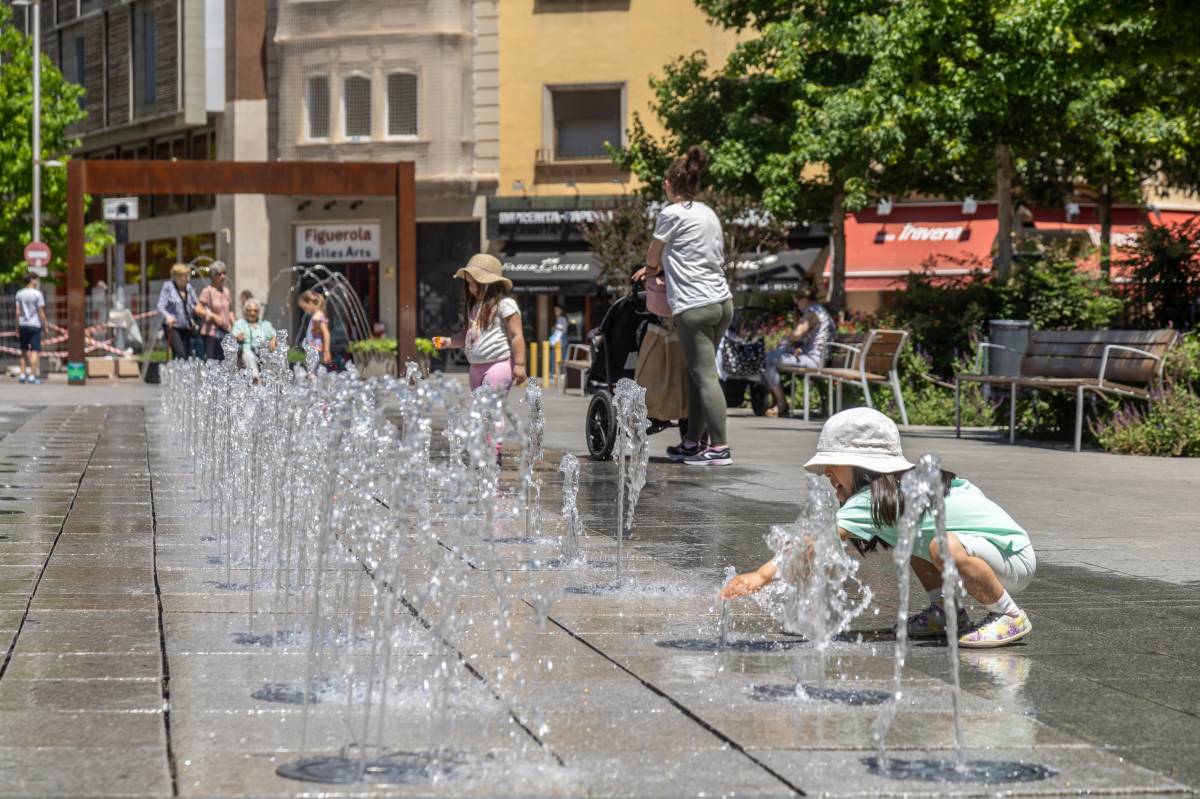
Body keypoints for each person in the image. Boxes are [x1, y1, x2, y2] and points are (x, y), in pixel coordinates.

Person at [720, 407, 1036, 648]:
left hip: (1011, 560)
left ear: (862, 466)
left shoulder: (873, 499)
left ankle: (1010, 616)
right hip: (999, 552)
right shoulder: (902, 490)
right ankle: (945, 611)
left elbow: (814, 542)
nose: (827, 473)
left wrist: (761, 576)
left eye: (834, 464)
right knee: (916, 539)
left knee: (941, 546)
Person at [633, 145, 733, 466]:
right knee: (697, 373)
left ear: (667, 184)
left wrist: (650, 270)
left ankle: (719, 447)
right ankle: (691, 443)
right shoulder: (708, 213)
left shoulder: (671, 213)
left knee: (705, 376)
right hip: (722, 303)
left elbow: (652, 255)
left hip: (694, 306)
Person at [435, 253, 527, 392]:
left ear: (492, 284)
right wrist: (448, 341)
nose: (472, 288)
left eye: (477, 284)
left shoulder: (505, 304)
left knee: (489, 409)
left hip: (498, 364)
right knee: (480, 411)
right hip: (474, 368)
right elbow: (467, 336)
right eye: (470, 284)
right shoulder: (473, 307)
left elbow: (516, 336)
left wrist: (519, 364)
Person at [763, 285, 835, 417]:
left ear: (804, 299)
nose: (797, 305)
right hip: (818, 357)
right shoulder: (820, 310)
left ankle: (781, 404)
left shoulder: (813, 311)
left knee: (769, 360)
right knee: (771, 358)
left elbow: (797, 333)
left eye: (797, 301)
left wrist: (784, 343)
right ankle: (779, 402)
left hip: (815, 359)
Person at [157, 263, 199, 360]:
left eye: (188, 275)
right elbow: (160, 305)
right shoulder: (168, 286)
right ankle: (175, 373)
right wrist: (168, 317)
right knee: (180, 353)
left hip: (186, 326)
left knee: (187, 355)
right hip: (173, 326)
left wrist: (195, 317)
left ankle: (183, 374)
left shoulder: (189, 288)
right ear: (176, 276)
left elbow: (195, 304)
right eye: (184, 276)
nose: (187, 278)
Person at [231, 298, 277, 380]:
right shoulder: (240, 324)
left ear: (259, 312)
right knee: (248, 355)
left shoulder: (264, 324)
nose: (252, 313)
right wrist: (237, 337)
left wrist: (273, 341)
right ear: (245, 311)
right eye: (249, 310)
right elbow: (231, 337)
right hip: (246, 352)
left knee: (271, 356)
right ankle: (255, 378)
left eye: (255, 311)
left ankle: (272, 380)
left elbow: (274, 335)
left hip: (263, 351)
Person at [196, 262, 235, 360]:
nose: (223, 276)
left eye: (224, 273)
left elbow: (230, 310)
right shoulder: (207, 291)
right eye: (219, 274)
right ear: (213, 276)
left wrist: (235, 325)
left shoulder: (226, 291)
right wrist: (213, 316)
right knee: (212, 360)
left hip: (226, 331)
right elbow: (198, 309)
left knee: (226, 359)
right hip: (211, 332)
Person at [15, 271, 48, 384]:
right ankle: (32, 376)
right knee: (34, 351)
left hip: (23, 324)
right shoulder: (37, 294)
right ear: (32, 280)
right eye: (36, 279)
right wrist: (45, 325)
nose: (37, 281)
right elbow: (41, 311)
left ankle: (22, 375)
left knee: (23, 351)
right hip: (35, 324)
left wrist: (17, 327)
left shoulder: (19, 293)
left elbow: (18, 312)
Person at [298, 290, 332, 367]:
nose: (304, 310)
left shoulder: (317, 316)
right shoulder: (316, 316)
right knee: (312, 371)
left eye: (304, 307)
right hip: (313, 349)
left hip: (316, 349)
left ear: (310, 303)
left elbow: (326, 333)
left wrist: (327, 351)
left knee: (312, 372)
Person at [547, 304, 569, 371]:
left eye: (557, 310)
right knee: (560, 357)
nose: (556, 312)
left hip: (560, 340)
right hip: (561, 340)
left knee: (555, 357)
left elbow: (560, 332)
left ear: (561, 311)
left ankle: (555, 373)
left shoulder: (561, 319)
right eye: (555, 310)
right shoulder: (560, 318)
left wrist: (553, 341)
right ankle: (560, 373)